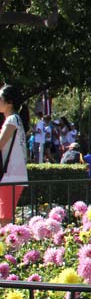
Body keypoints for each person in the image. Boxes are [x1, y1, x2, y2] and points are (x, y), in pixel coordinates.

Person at [0, 85, 28, 224]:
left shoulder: (12, 120)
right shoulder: (15, 119)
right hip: (12, 174)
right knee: (4, 218)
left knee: (4, 220)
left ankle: (7, 246)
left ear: (9, 102)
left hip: (10, 175)